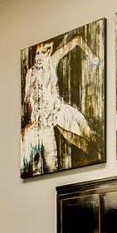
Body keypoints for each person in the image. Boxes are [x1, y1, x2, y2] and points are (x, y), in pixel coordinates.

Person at [22, 33, 99, 175]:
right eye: (37, 53)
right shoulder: (31, 73)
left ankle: (98, 152)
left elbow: (76, 41)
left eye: (43, 53)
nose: (39, 57)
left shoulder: (52, 61)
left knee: (85, 130)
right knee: (47, 164)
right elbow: (27, 99)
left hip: (58, 111)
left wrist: (92, 56)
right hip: (42, 122)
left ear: (49, 52)